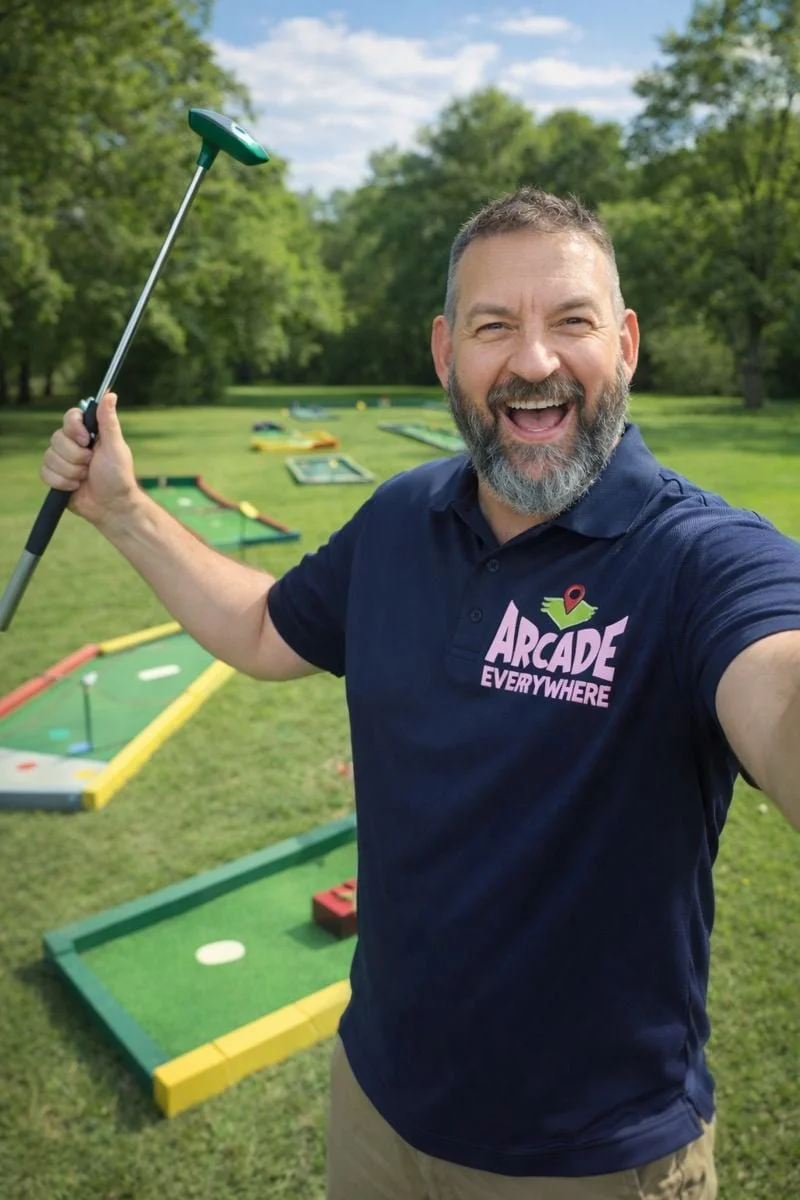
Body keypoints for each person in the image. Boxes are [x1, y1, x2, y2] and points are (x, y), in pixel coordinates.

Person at [41, 188, 800, 1200]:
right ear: (445, 351)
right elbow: (267, 629)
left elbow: (777, 688)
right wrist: (124, 511)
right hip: (375, 1101)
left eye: (569, 321)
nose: (532, 360)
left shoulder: (701, 559)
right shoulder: (402, 516)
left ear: (623, 344)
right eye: (494, 326)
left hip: (590, 1159)